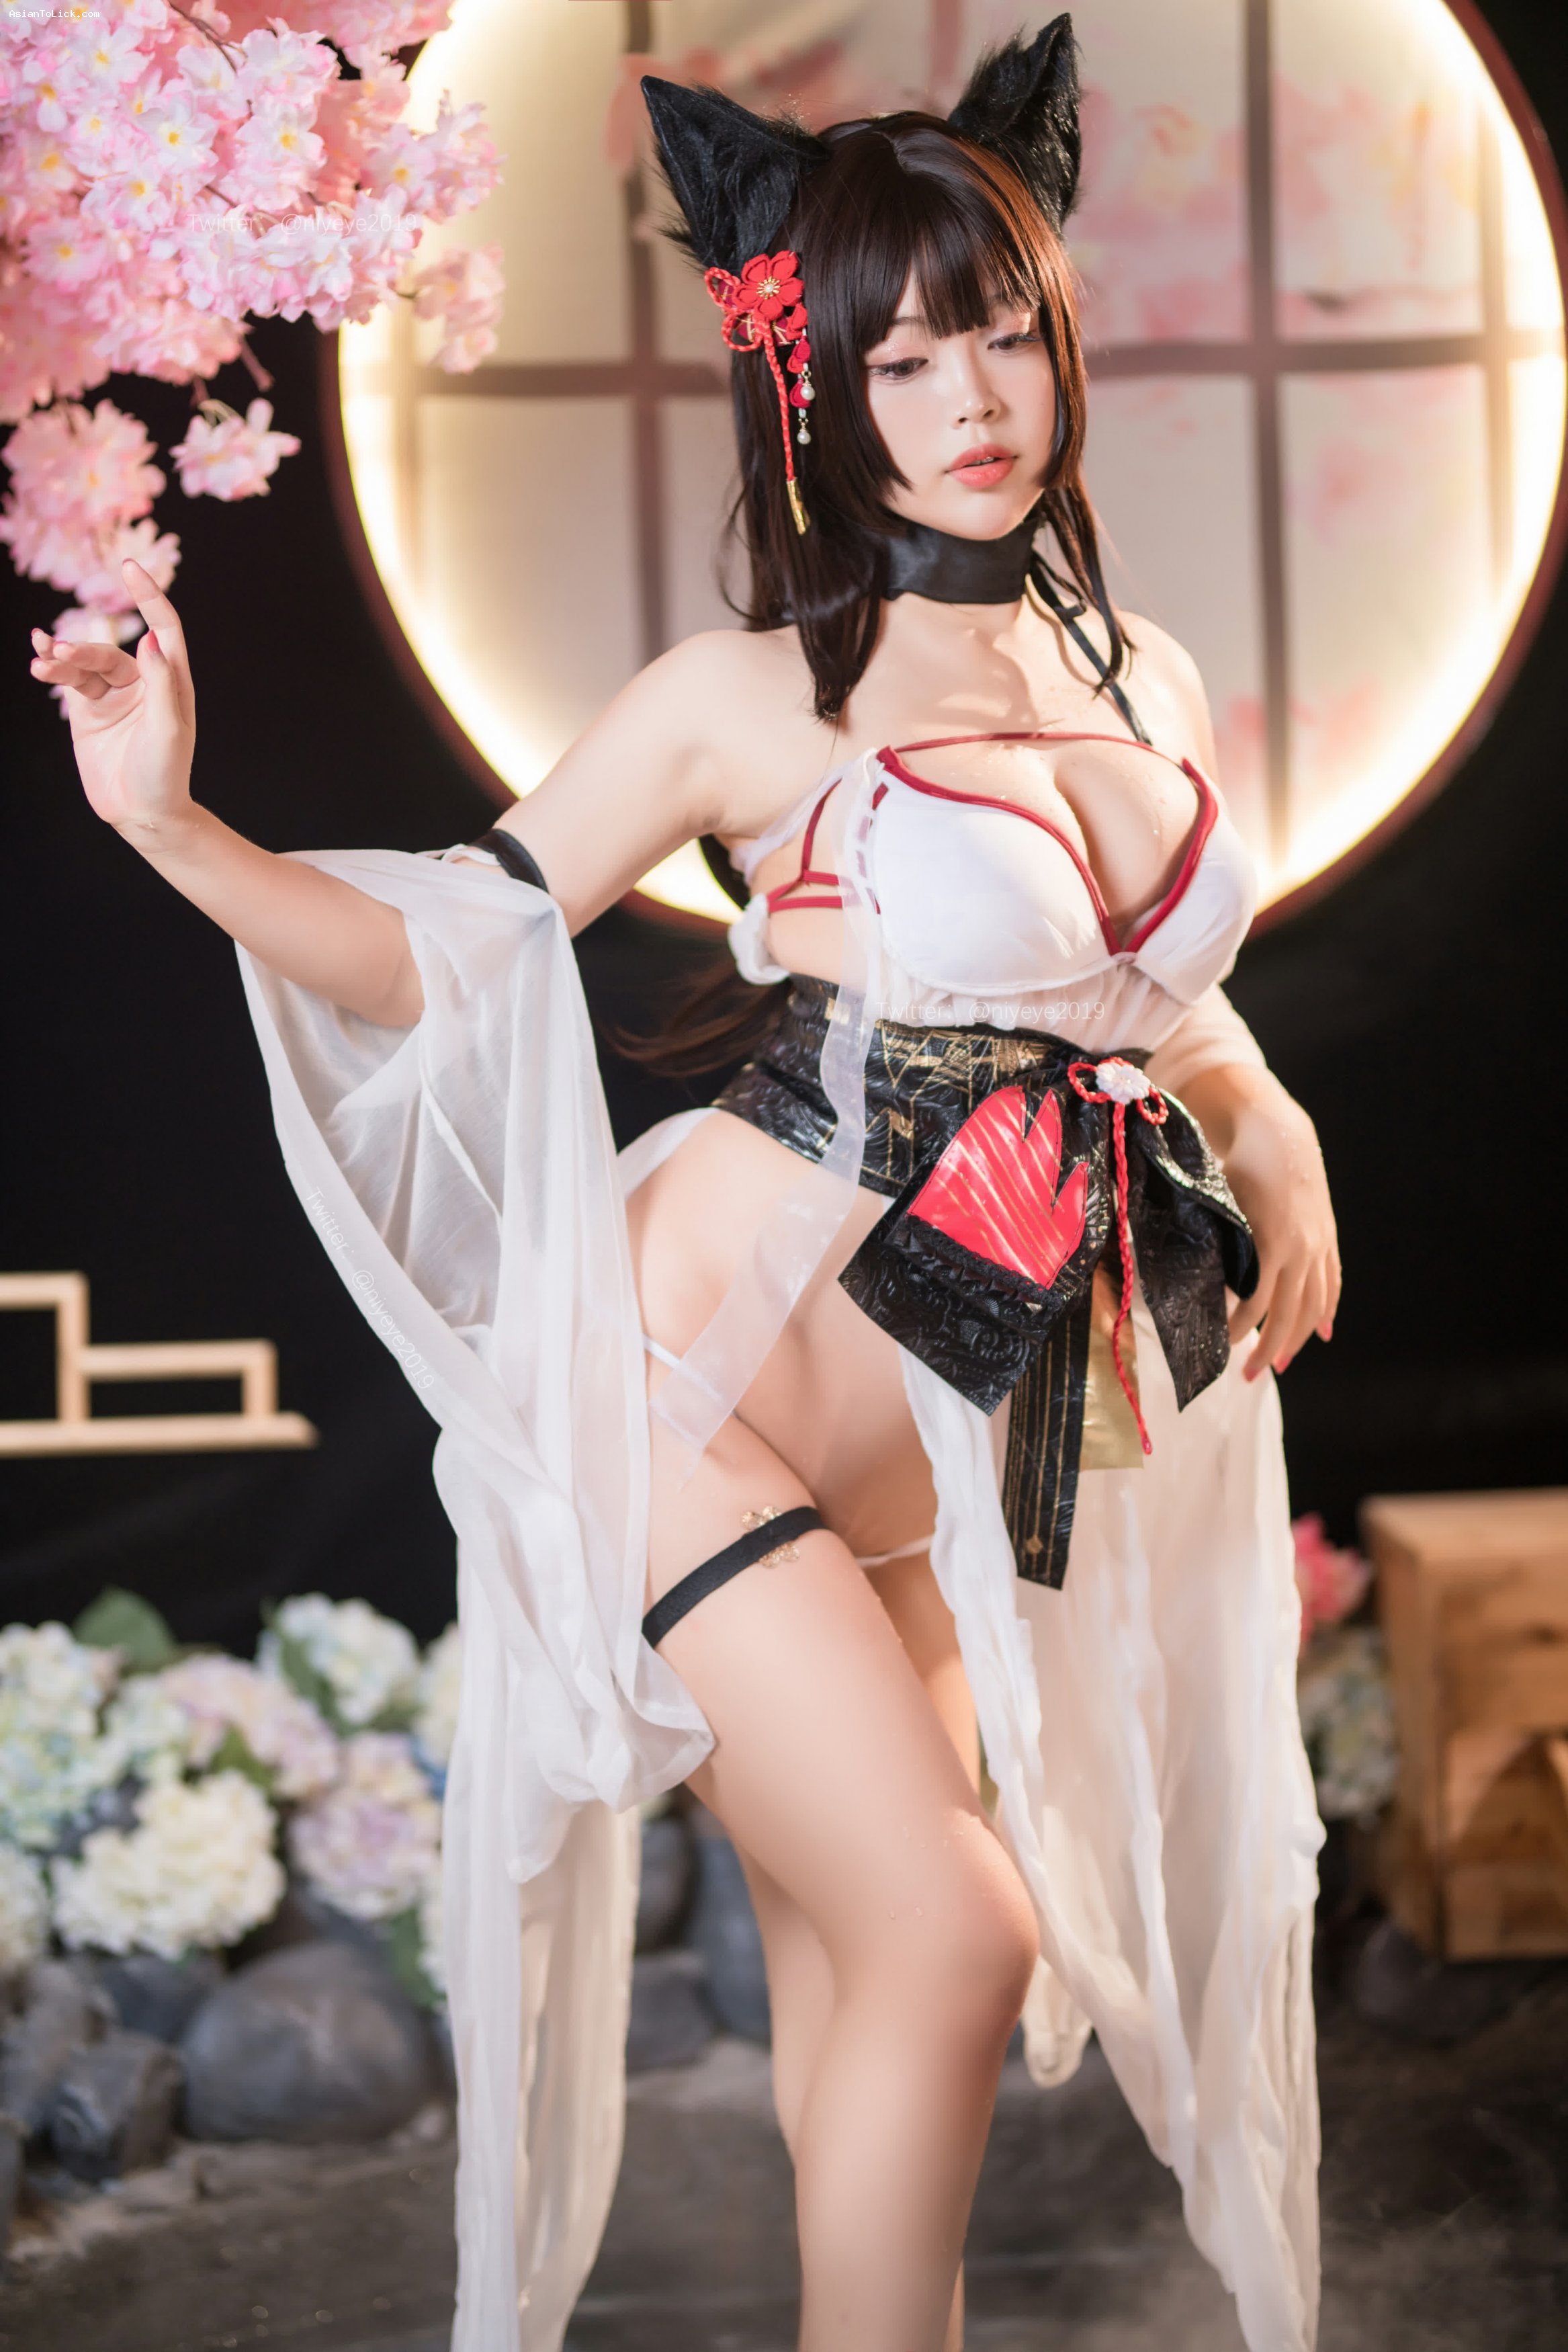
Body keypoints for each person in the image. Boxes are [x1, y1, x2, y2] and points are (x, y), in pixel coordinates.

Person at [29, 22, 1336, 2352]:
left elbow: (1142, 993)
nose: (969, 396)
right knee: (955, 1936)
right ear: (813, 384)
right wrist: (175, 826)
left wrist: (1272, 1122)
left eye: (1000, 330)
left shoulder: (1147, 673)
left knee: (865, 1987)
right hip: (681, 1392)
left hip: (960, 1413)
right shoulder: (753, 700)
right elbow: (442, 957)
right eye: (901, 357)